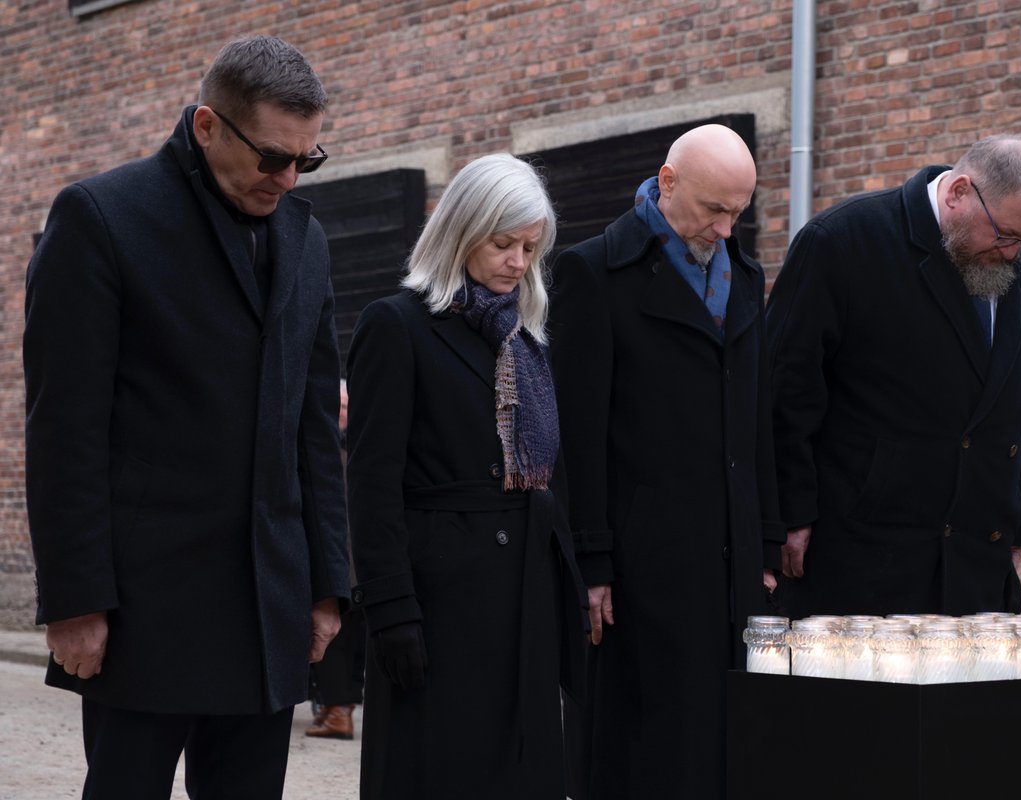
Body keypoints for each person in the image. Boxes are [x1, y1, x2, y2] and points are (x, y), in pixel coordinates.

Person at [23, 35, 349, 799]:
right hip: (144, 611)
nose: (290, 177)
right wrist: (74, 598)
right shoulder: (101, 217)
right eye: (273, 157)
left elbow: (311, 425)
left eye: (308, 158)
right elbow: (64, 427)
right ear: (207, 126)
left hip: (268, 607)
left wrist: (327, 584)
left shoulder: (306, 240)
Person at [548, 124, 784, 800]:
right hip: (640, 562)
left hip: (731, 560)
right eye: (713, 208)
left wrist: (764, 541)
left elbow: (756, 417)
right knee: (646, 749)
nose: (726, 228)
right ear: (667, 181)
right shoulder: (592, 272)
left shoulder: (747, 274)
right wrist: (590, 564)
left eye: (739, 210)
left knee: (726, 747)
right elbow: (579, 433)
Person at [346, 152, 588, 800]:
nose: (517, 262)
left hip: (526, 599)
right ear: (461, 231)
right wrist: (392, 611)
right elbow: (371, 483)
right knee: (438, 773)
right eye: (503, 243)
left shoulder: (527, 338)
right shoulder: (395, 326)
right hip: (441, 602)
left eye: (530, 248)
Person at [766, 134, 1021, 618]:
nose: (1014, 253)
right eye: (1005, 234)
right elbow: (785, 394)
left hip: (976, 560)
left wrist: (1018, 522)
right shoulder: (842, 242)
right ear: (958, 192)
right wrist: (789, 514)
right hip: (864, 555)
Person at [306, 379, 367, 740]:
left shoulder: (350, 450)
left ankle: (338, 710)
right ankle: (336, 708)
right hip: (341, 562)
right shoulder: (327, 449)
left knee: (339, 641)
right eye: (338, 405)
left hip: (348, 565)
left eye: (346, 405)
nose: (342, 411)